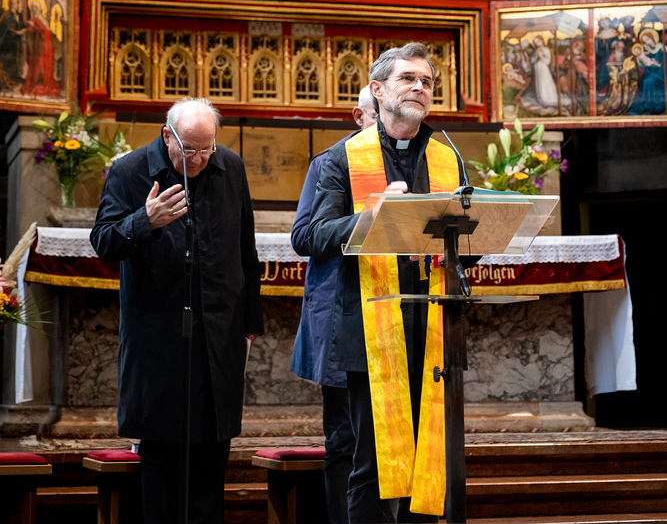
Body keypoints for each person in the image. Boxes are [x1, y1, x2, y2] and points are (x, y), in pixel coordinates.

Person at [305, 42, 464, 523]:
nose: (420, 87)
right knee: (372, 465)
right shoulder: (342, 158)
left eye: (427, 81)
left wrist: (450, 244)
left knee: (433, 461)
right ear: (377, 90)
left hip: (433, 327)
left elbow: (466, 239)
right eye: (407, 78)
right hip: (370, 330)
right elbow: (311, 236)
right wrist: (368, 218)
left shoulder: (447, 157)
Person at [91, 98, 263, 524]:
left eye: (207, 148)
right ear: (167, 135)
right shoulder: (130, 170)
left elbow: (246, 248)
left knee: (212, 456)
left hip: (219, 335)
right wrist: (144, 221)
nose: (200, 159)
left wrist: (250, 320)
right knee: (163, 458)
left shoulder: (230, 167)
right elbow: (103, 241)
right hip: (159, 337)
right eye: (190, 150)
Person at [291, 87, 377, 524]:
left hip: (398, 315)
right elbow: (304, 236)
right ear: (359, 116)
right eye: (379, 114)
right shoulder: (332, 161)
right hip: (345, 315)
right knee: (346, 440)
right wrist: (368, 220)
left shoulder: (420, 159)